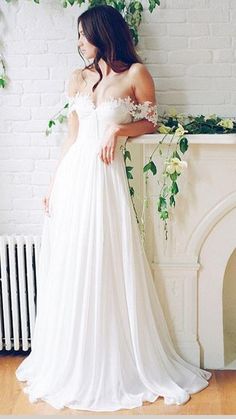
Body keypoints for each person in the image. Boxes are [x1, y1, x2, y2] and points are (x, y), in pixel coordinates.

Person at [15, 5, 212, 412]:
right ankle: (73, 358)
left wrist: (120, 130)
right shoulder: (78, 79)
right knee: (72, 263)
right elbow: (71, 137)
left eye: (84, 35)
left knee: (104, 262)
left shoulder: (135, 75)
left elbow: (152, 122)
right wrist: (53, 185)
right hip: (74, 179)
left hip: (104, 182)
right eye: (77, 37)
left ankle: (110, 359)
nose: (79, 43)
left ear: (104, 34)